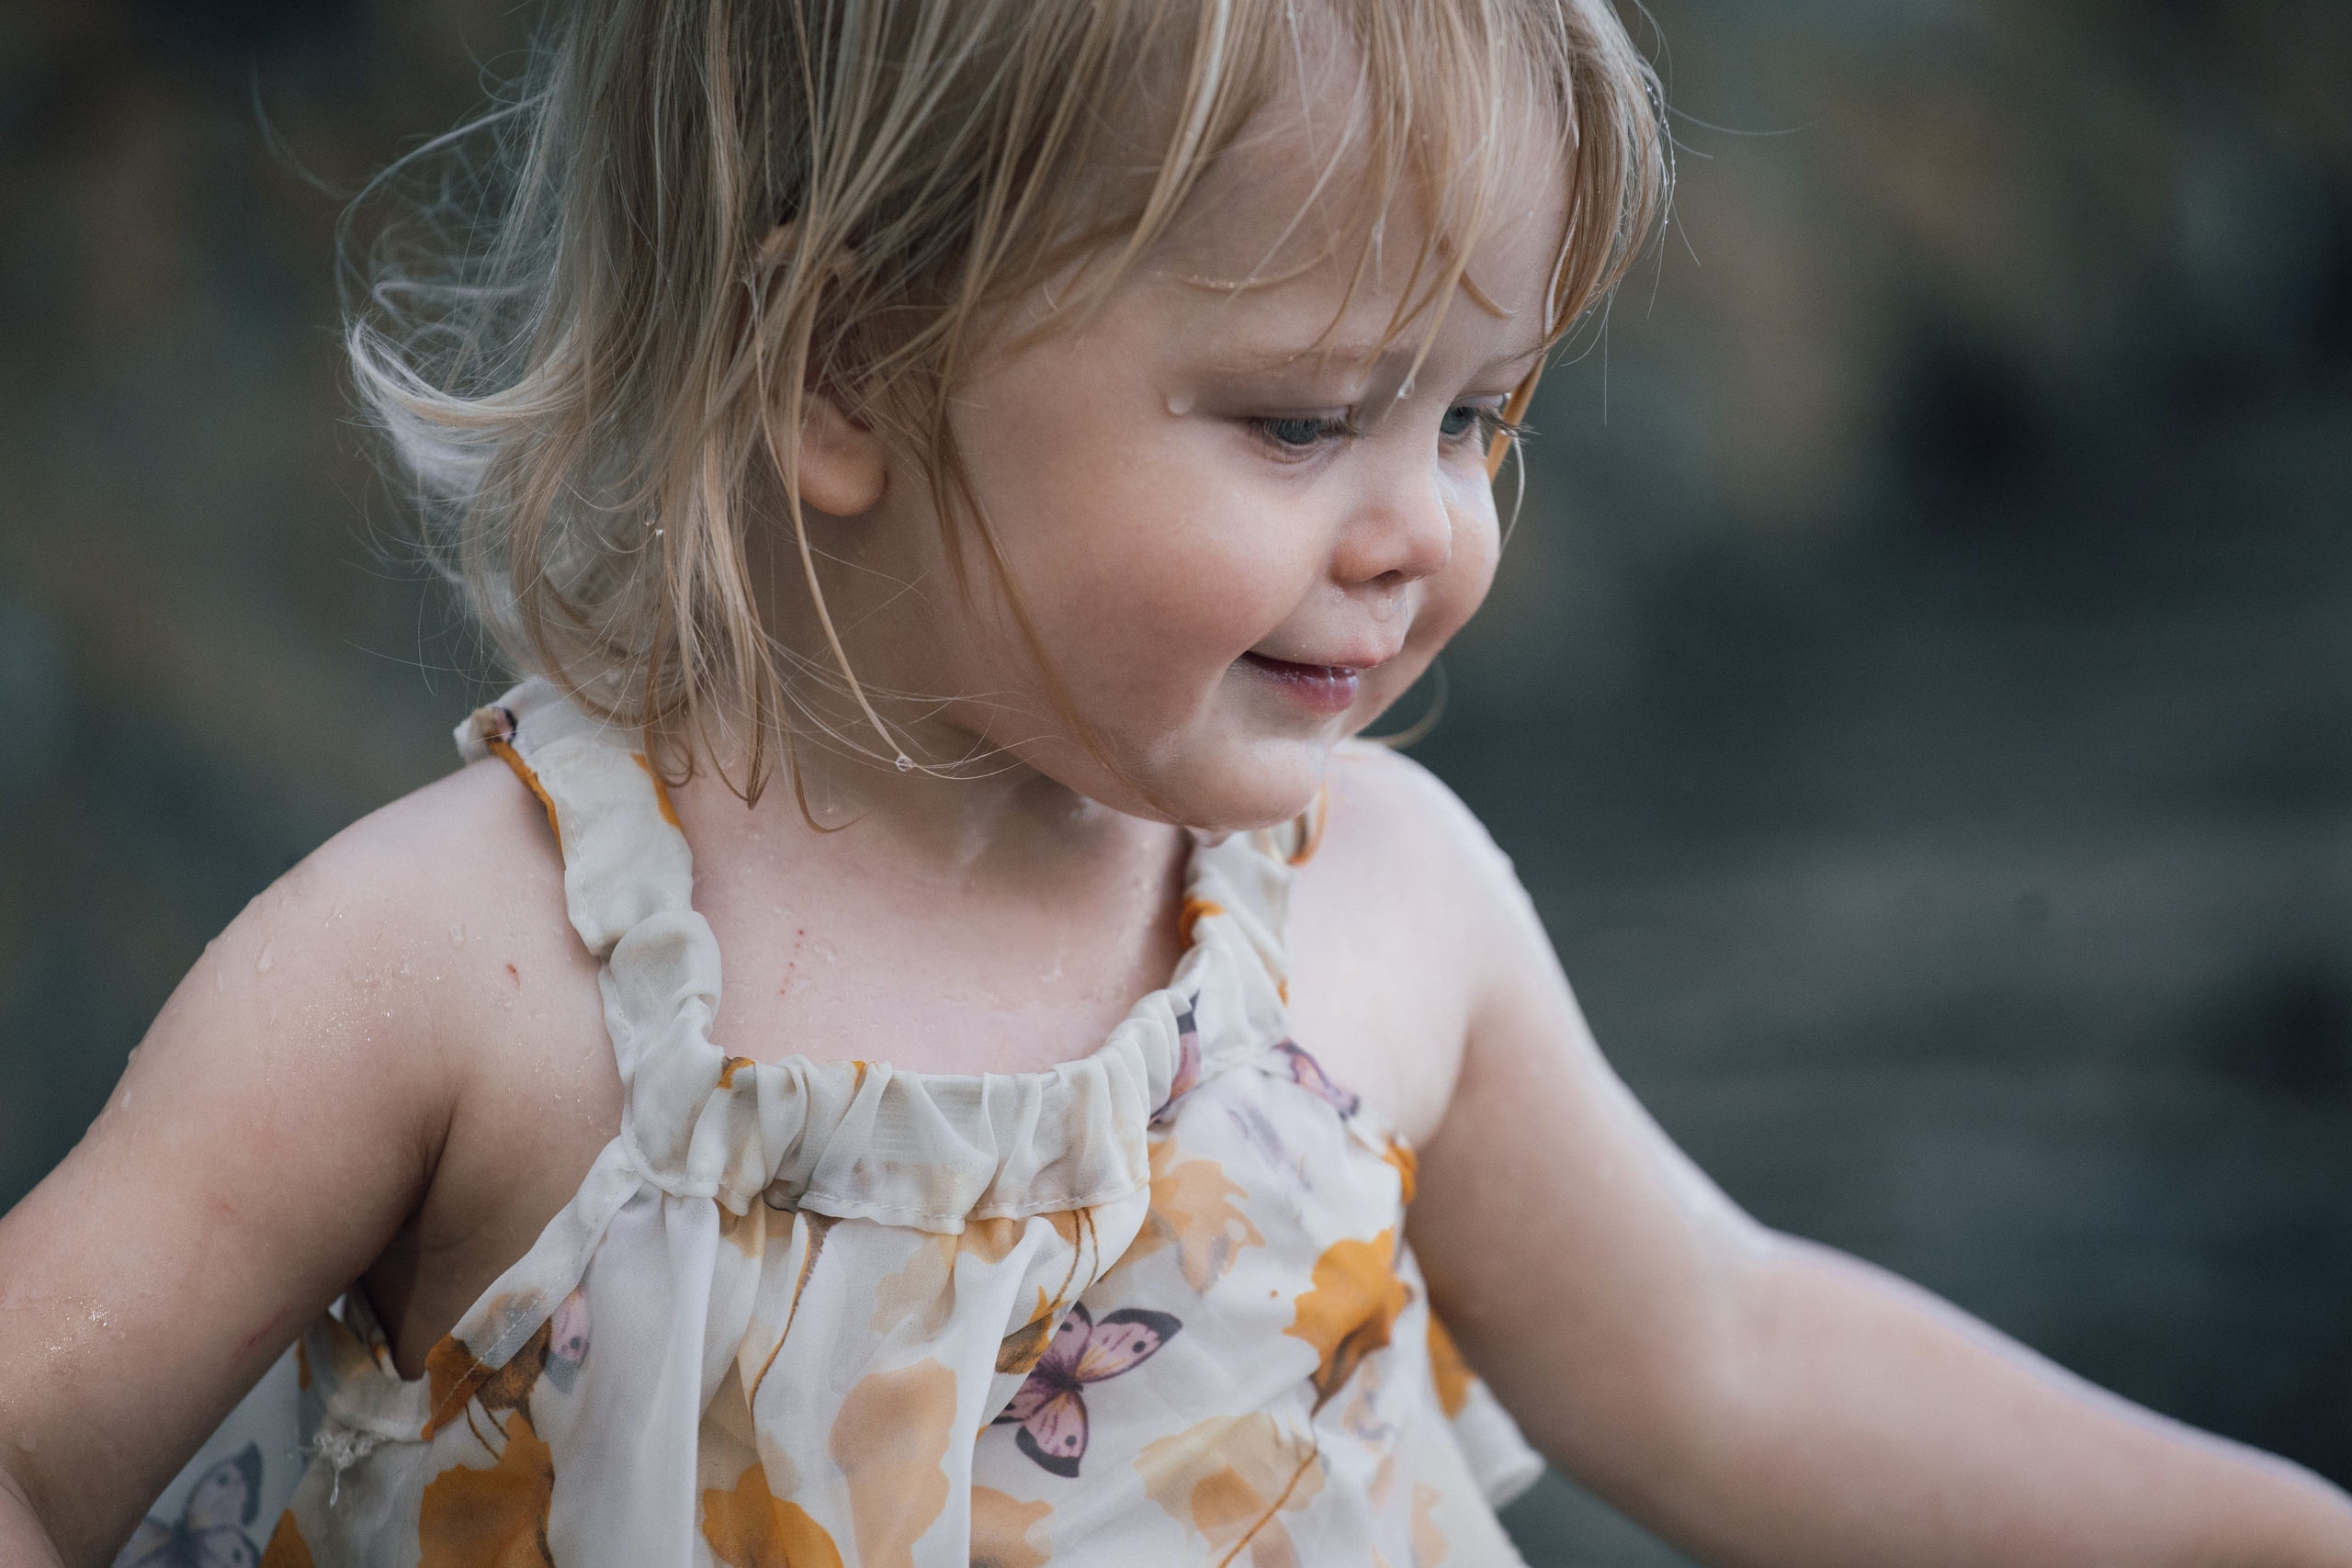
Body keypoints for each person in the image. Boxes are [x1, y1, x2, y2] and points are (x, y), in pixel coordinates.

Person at [4, 1, 2348, 1563]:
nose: (1424, 528)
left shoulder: (1377, 910)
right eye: (1303, 418)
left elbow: (1724, 1354)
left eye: (1476, 413)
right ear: (844, 367)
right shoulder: (461, 974)